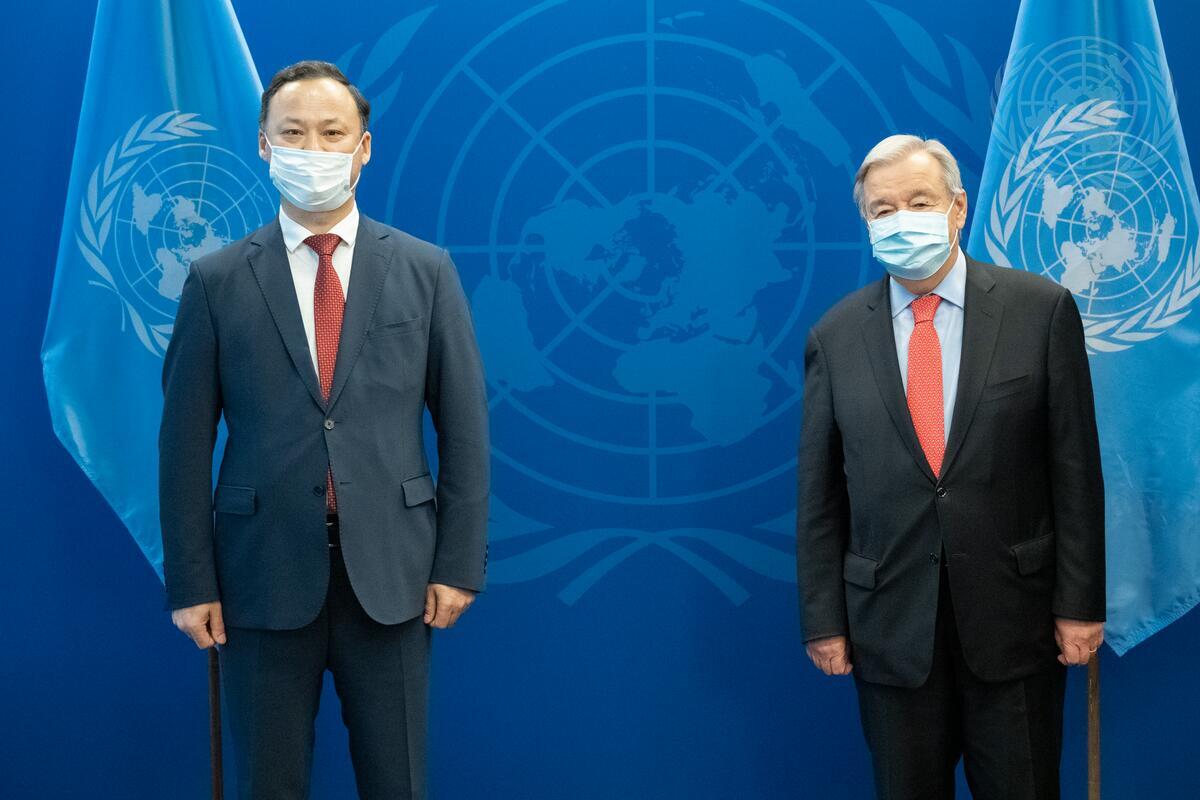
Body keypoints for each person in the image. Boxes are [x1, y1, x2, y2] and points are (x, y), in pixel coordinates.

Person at [159, 60, 489, 800]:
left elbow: (465, 429)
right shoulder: (215, 281)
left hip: (395, 576)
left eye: (332, 133)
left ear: (363, 147)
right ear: (264, 146)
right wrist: (191, 581)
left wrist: (459, 563)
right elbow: (181, 448)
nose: (313, 149)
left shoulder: (426, 271)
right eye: (293, 133)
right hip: (260, 578)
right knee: (267, 785)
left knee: (398, 783)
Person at [795, 134, 1105, 799]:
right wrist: (824, 620)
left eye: (919, 202)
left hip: (1016, 625)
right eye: (883, 210)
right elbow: (820, 497)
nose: (901, 219)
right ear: (866, 223)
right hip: (890, 631)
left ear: (957, 208)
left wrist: (1080, 605)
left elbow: (1075, 472)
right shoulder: (834, 337)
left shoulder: (1040, 311)